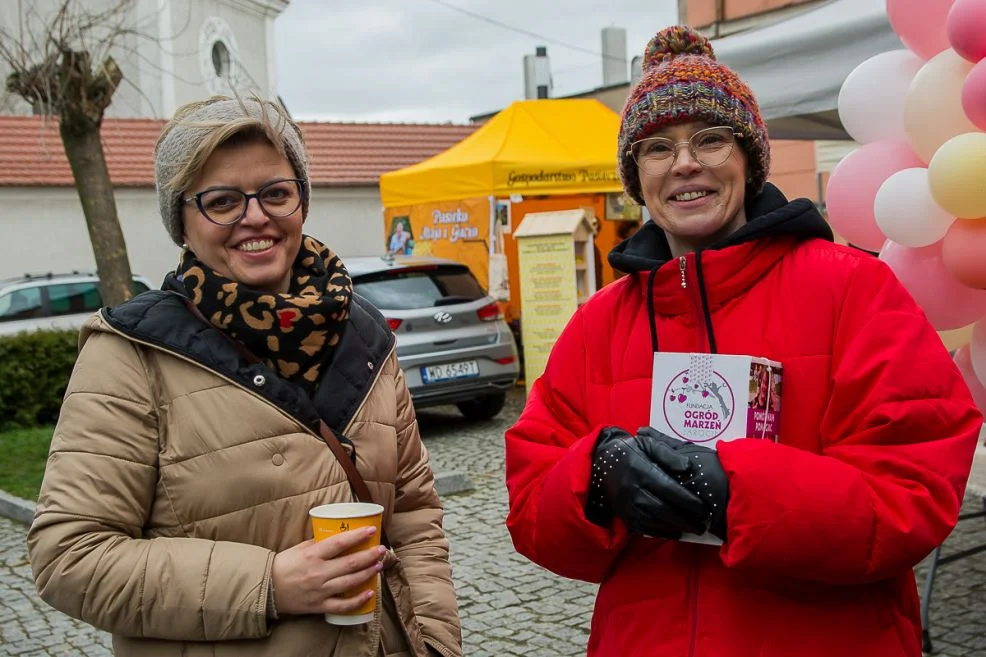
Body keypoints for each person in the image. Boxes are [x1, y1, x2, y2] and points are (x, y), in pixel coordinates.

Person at [503, 26, 981, 657]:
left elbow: (914, 493)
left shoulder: (857, 291)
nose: (684, 163)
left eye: (710, 139)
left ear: (749, 160)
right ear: (636, 176)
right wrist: (595, 479)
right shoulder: (598, 325)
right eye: (656, 147)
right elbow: (532, 504)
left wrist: (739, 492)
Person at [27, 97, 461, 657]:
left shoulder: (364, 333)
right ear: (181, 223)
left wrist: (437, 642)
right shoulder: (131, 353)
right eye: (222, 201)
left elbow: (415, 513)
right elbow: (70, 556)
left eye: (275, 193)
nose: (254, 217)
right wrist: (270, 585)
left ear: (301, 201)